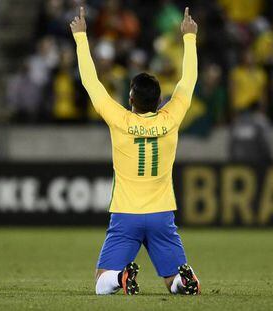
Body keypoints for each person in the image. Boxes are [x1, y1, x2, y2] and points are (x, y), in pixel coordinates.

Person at [70, 6, 200, 295]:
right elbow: (188, 82)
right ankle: (185, 281)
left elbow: (91, 83)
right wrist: (189, 39)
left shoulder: (120, 120)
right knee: (171, 279)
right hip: (161, 214)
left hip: (126, 213)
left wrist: (81, 37)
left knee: (101, 280)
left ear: (131, 98)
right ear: (160, 100)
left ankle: (120, 279)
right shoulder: (171, 118)